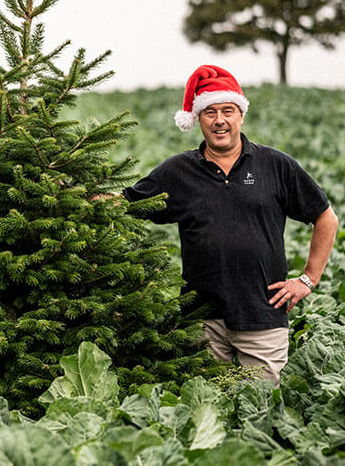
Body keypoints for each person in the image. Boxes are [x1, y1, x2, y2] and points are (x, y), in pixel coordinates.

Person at [122, 64, 337, 386]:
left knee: (260, 402)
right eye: (209, 112)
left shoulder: (276, 165)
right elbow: (126, 204)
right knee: (204, 404)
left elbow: (326, 217)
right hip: (201, 319)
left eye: (227, 110)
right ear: (198, 119)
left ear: (240, 115)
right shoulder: (178, 171)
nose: (219, 120)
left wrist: (308, 279)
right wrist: (73, 192)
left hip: (262, 315)